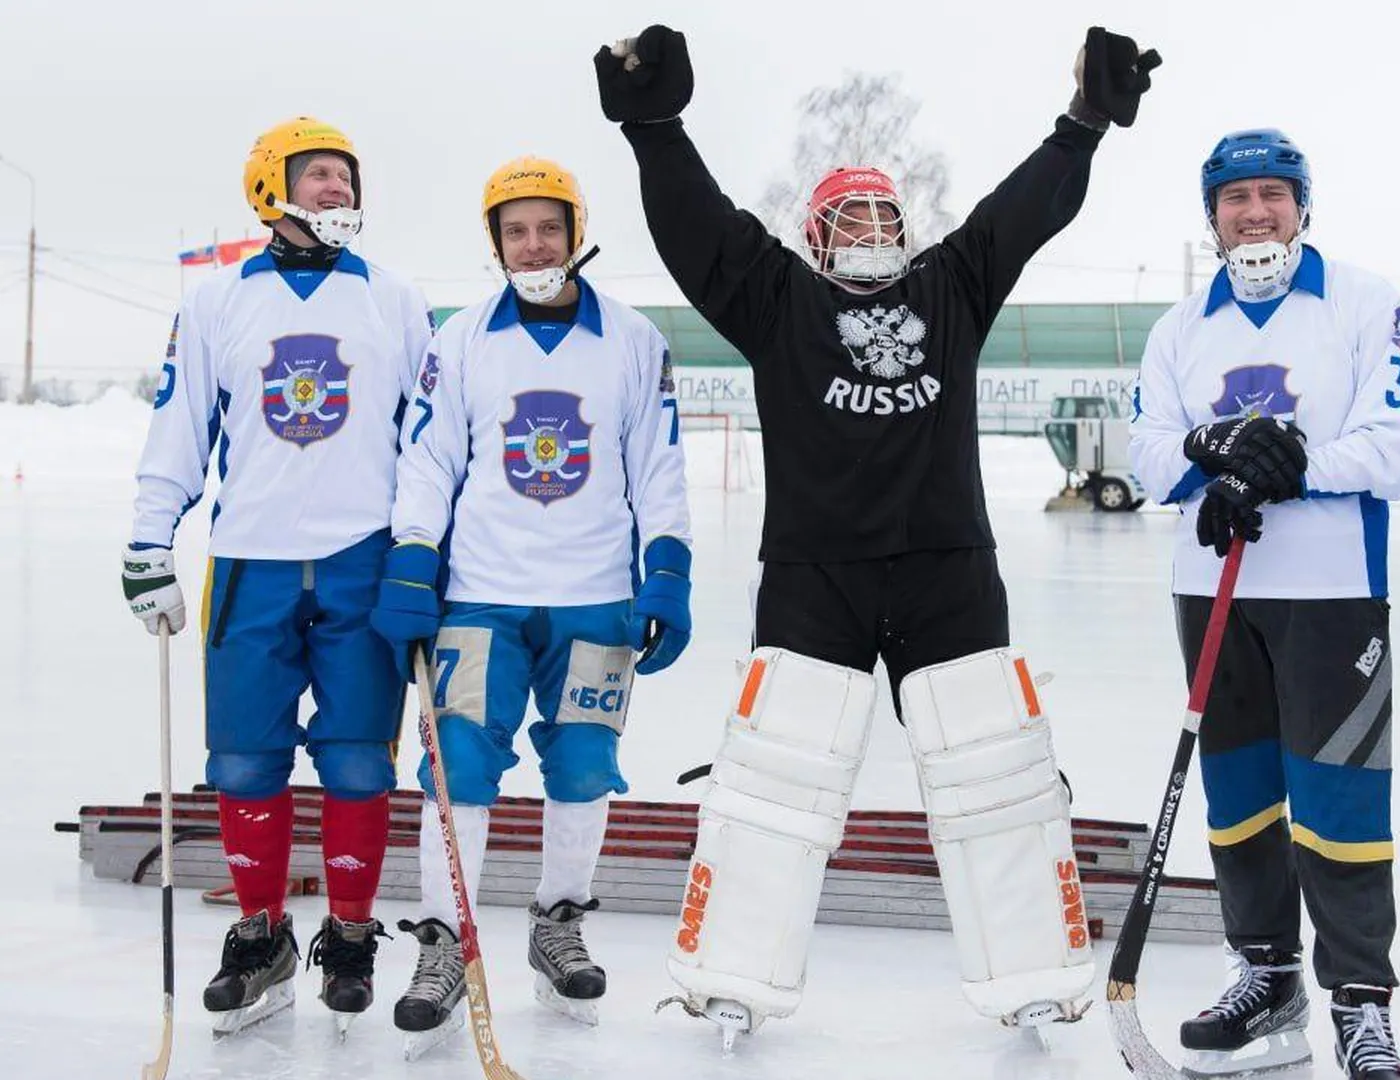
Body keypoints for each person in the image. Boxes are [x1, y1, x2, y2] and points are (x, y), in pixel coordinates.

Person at [590, 23, 1159, 1043]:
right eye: (847, 214)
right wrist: (657, 128)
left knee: (998, 780)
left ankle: (1032, 969)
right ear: (815, 237)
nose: (868, 225)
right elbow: (699, 229)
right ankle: (734, 976)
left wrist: (1083, 123)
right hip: (817, 574)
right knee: (772, 784)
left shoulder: (953, 286)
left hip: (949, 569)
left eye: (883, 212)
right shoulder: (778, 302)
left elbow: (1022, 213)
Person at [121, 116, 432, 1034]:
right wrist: (149, 540)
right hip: (251, 563)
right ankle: (260, 938)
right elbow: (179, 428)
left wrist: (421, 545)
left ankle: (347, 936)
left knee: (357, 763)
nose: (341, 189)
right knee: (245, 760)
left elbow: (428, 438)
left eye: (348, 177)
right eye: (322, 174)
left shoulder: (396, 298)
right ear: (272, 185)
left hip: (363, 561)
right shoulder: (218, 301)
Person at [369, 156, 691, 1043]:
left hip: (595, 601)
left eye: (549, 226)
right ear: (495, 242)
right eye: (516, 230)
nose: (534, 243)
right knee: (459, 769)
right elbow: (430, 459)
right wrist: (411, 558)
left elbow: (658, 465)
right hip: (482, 597)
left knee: (585, 768)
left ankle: (558, 926)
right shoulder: (460, 338)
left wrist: (667, 568)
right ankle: (444, 940)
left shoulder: (633, 338)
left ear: (577, 231)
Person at [1128, 128, 1400, 1080]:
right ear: (1211, 216)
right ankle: (1267, 972)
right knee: (1241, 796)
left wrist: (1290, 467)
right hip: (1212, 589)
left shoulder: (1365, 302)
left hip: (1331, 593)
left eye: (1274, 195)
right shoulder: (1181, 328)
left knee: (1340, 797)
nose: (1256, 212)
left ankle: (1360, 1001)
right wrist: (1212, 461)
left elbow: (1389, 448)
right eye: (1236, 198)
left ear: (1304, 205)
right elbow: (1145, 453)